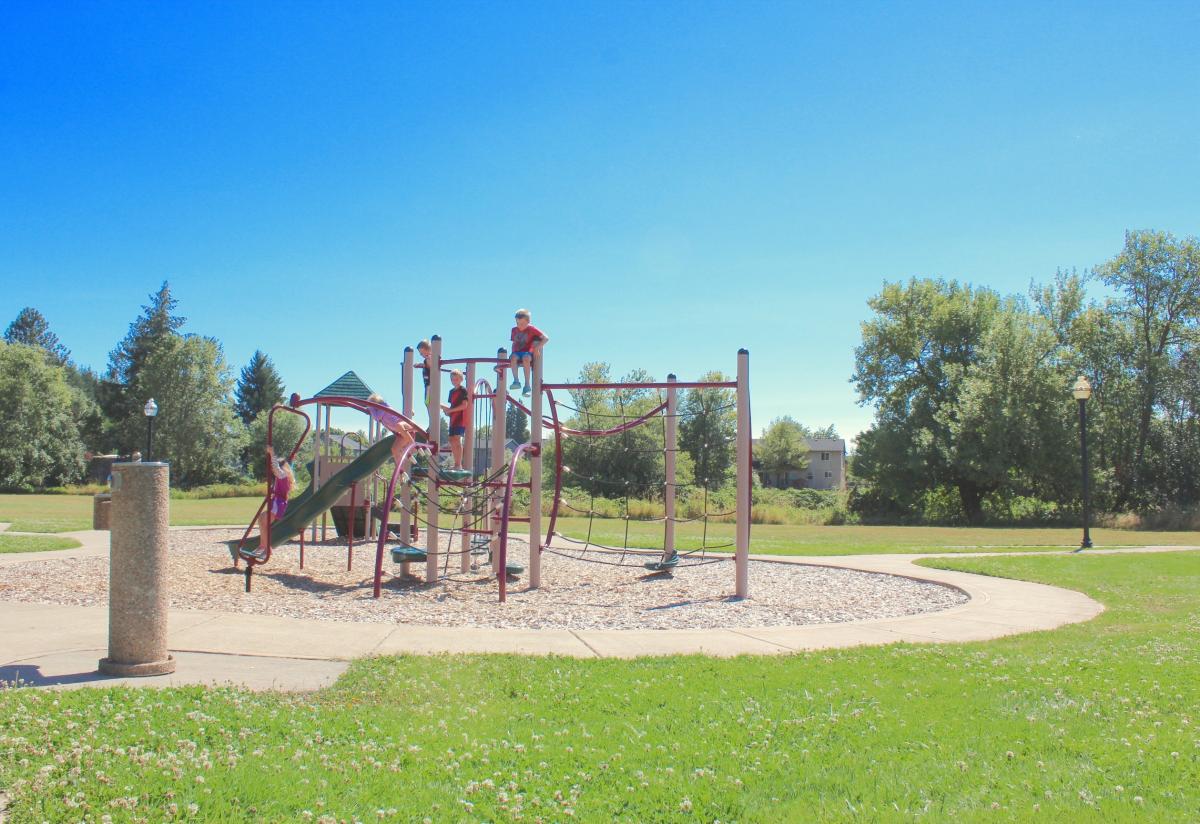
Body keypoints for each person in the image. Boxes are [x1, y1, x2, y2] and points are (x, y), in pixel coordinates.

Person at [255, 446, 296, 553]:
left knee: (263, 521)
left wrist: (272, 453)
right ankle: (264, 546)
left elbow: (276, 467)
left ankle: (265, 547)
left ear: (282, 468)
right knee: (262, 520)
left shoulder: (282, 476)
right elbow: (285, 465)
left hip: (278, 505)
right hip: (277, 504)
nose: (273, 470)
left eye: (275, 468)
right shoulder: (282, 477)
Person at [508, 308, 548, 396]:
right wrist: (512, 354)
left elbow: (546, 338)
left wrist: (537, 348)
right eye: (517, 323)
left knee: (526, 358)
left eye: (522, 323)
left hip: (527, 352)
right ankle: (516, 381)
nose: (519, 325)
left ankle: (527, 385)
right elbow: (513, 343)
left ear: (528, 322)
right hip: (517, 352)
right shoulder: (514, 330)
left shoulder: (532, 329)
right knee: (513, 357)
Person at [441, 369, 471, 469]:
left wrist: (450, 411)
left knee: (457, 439)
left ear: (461, 379)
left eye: (456, 379)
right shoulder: (451, 392)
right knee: (451, 440)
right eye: (452, 379)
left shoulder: (463, 390)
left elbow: (464, 406)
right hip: (453, 419)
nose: (454, 381)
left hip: (461, 418)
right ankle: (456, 463)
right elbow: (452, 406)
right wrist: (446, 410)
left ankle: (459, 464)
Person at [414, 339, 432, 406]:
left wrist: (420, 365)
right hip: (427, 382)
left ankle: (443, 407)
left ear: (428, 349)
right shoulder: (427, 359)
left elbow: (430, 365)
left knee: (428, 402)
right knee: (428, 402)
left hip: (430, 382)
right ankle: (443, 407)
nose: (420, 355)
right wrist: (421, 365)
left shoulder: (430, 357)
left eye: (421, 353)